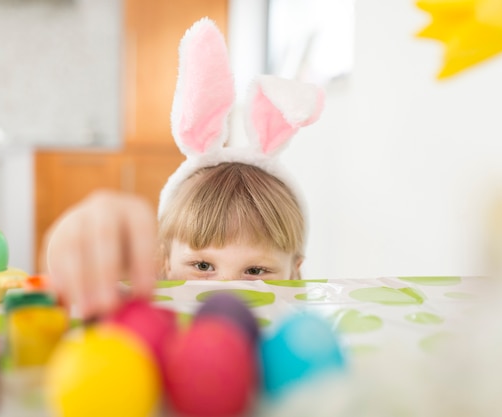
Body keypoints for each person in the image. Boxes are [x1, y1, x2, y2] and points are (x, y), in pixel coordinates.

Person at [41, 18, 324, 319]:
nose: (224, 296)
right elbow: (72, 278)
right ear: (164, 261)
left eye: (255, 271)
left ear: (295, 273)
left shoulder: (292, 328)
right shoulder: (148, 308)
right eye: (203, 266)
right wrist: (75, 235)